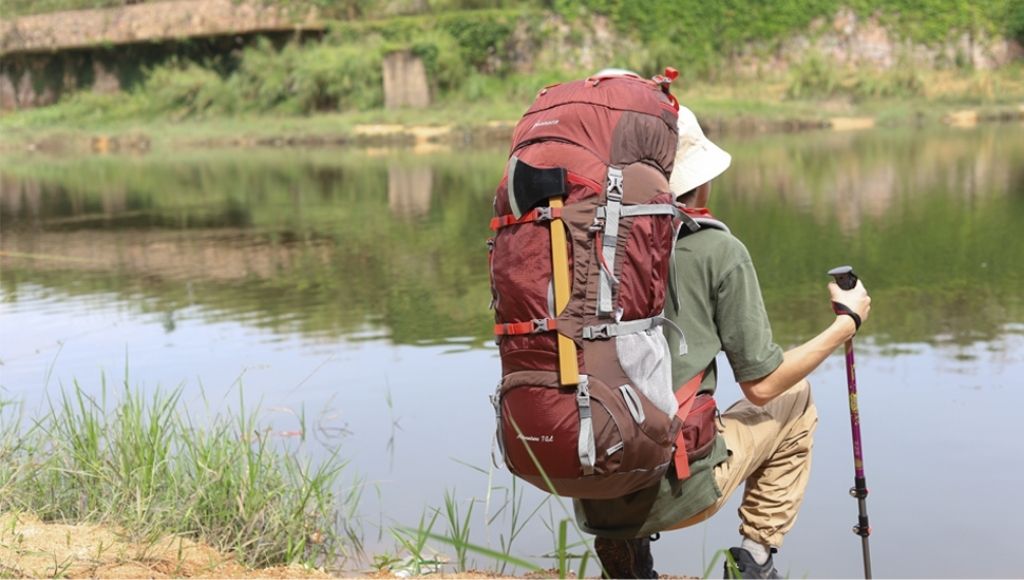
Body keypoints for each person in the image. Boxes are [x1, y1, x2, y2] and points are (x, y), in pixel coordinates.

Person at [575, 105, 872, 579]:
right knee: (797, 400)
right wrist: (845, 325)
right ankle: (754, 560)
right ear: (701, 178)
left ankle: (623, 556)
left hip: (591, 490)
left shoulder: (584, 246)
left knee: (622, 402)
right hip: (677, 490)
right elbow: (763, 387)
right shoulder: (717, 250)